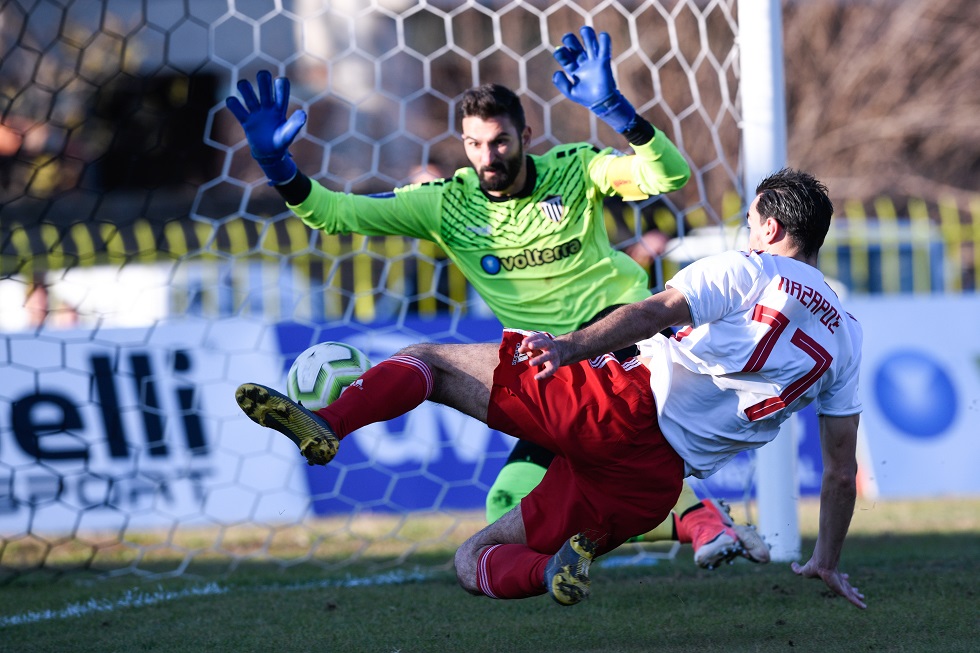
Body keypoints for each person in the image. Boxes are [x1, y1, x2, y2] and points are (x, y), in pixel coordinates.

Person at [226, 26, 768, 569]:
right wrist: (279, 167)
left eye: (500, 141)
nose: (489, 156)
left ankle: (694, 517)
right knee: (508, 504)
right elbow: (334, 214)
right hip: (545, 363)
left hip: (623, 340)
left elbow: (666, 174)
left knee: (580, 443)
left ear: (526, 135)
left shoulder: (575, 170)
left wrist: (614, 107)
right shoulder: (443, 204)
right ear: (463, 144)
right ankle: (673, 527)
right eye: (475, 144)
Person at [234, 168, 865, 608]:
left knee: (428, 361)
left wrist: (571, 347)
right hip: (652, 482)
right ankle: (554, 568)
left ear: (774, 231)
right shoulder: (849, 336)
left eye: (751, 221)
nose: (747, 232)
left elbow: (653, 312)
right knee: (475, 557)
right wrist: (827, 559)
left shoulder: (748, 271)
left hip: (617, 403)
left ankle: (331, 422)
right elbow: (840, 472)